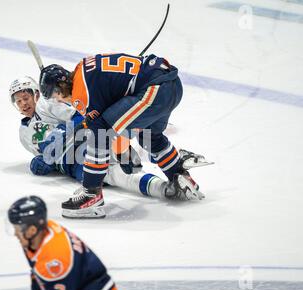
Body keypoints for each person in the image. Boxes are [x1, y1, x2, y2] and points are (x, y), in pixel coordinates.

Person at [39, 53, 210, 218]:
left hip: (155, 90)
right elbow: (115, 108)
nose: (60, 100)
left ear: (60, 86)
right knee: (151, 137)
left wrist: (122, 154)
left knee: (99, 134)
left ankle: (91, 194)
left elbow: (103, 127)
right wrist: (123, 153)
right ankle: (180, 177)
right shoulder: (82, 69)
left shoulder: (81, 92)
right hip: (170, 85)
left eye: (56, 95)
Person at [9, 77, 190, 218]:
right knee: (114, 176)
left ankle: (178, 162)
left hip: (88, 141)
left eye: (26, 98)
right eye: (18, 101)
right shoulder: (23, 133)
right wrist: (42, 162)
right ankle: (165, 189)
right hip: (72, 166)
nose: (23, 103)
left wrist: (62, 134)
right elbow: (45, 155)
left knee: (134, 147)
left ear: (36, 94)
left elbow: (80, 116)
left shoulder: (47, 105)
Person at [7, 195, 118, 290]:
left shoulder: (54, 259)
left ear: (32, 230)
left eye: (17, 229)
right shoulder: (41, 233)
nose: (15, 234)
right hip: (82, 284)